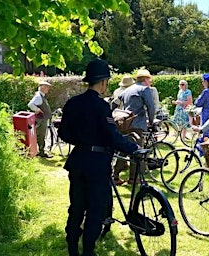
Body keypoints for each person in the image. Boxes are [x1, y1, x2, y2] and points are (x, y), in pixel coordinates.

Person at [58, 58, 139, 256]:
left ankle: (72, 247)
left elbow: (63, 134)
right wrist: (134, 149)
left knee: (76, 206)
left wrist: (82, 139)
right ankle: (88, 251)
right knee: (95, 210)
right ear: (103, 82)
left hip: (78, 161)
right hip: (97, 164)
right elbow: (113, 136)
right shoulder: (101, 106)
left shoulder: (73, 103)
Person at [115, 69, 155, 185]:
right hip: (137, 124)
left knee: (123, 150)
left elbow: (114, 103)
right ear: (145, 79)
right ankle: (133, 178)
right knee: (136, 151)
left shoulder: (128, 89)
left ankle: (115, 176)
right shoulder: (144, 89)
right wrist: (151, 122)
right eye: (149, 79)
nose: (150, 81)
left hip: (124, 122)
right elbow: (151, 107)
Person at [28, 80, 53, 158]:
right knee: (41, 136)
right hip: (40, 120)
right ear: (42, 87)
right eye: (46, 87)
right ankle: (41, 152)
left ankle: (40, 151)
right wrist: (37, 110)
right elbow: (30, 104)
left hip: (42, 119)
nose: (48, 89)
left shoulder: (41, 95)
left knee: (40, 136)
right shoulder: (39, 96)